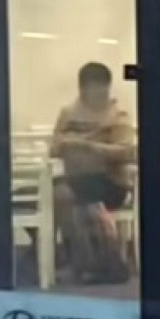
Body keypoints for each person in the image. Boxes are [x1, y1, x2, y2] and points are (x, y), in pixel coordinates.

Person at [50, 62, 134, 286]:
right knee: (56, 197)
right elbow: (54, 148)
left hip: (110, 181)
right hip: (76, 179)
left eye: (102, 90)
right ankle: (85, 261)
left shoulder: (118, 117)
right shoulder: (68, 114)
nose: (98, 96)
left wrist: (92, 147)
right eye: (92, 90)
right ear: (82, 90)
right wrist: (66, 143)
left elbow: (127, 152)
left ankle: (94, 263)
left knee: (74, 198)